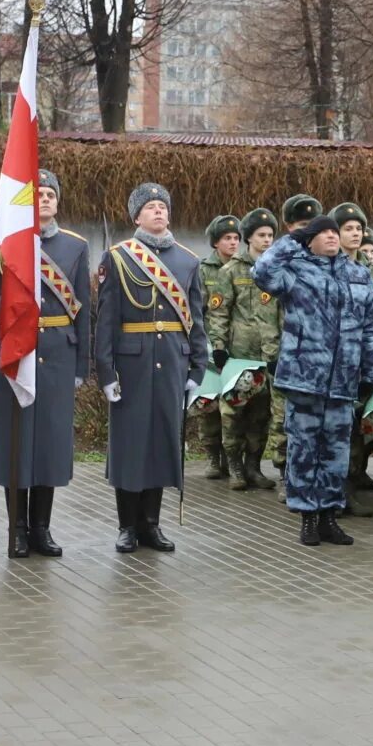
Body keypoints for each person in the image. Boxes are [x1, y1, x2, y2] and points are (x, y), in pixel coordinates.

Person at [94, 183, 210, 553]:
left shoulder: (189, 261)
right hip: (132, 363)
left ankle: (152, 525)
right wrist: (107, 372)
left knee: (162, 441)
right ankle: (127, 525)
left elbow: (196, 320)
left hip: (172, 363)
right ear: (136, 217)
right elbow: (106, 319)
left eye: (163, 206)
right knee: (130, 444)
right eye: (151, 207)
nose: (159, 211)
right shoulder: (118, 257)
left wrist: (196, 369)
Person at [0, 169, 90, 558]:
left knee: (49, 444)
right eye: (37, 194)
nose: (44, 199)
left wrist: (82, 365)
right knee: (17, 442)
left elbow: (84, 311)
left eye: (50, 194)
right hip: (16, 353)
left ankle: (42, 528)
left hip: (58, 354)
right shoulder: (3, 244)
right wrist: (15, 306)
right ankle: (18, 529)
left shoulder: (75, 248)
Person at [252, 216, 373, 546]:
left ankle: (329, 516)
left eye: (334, 232)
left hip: (343, 378)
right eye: (322, 232)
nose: (331, 237)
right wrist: (292, 240)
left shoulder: (358, 273)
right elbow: (262, 273)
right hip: (304, 377)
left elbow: (372, 326)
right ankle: (307, 517)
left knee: (336, 451)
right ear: (310, 239)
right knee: (304, 449)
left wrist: (371, 371)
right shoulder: (296, 270)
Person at [208, 207, 278, 491]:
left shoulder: (277, 270)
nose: (266, 240)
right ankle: (234, 466)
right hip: (239, 357)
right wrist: (219, 346)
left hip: (268, 355)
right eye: (261, 235)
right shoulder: (232, 271)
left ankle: (254, 466)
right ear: (249, 238)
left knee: (261, 416)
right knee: (233, 414)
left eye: (271, 235)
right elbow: (218, 312)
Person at [262, 194, 322, 486]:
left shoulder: (328, 260)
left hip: (323, 363)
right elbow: (269, 315)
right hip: (293, 359)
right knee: (287, 421)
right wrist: (273, 354)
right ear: (289, 227)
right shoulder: (285, 264)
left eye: (313, 224)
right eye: (302, 225)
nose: (308, 230)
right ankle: (287, 474)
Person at [329, 201, 373, 512]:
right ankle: (327, 496)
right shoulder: (321, 268)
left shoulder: (367, 273)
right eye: (347, 228)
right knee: (331, 434)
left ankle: (347, 490)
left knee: (354, 433)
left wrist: (372, 370)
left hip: (356, 365)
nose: (354, 233)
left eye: (358, 229)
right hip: (327, 366)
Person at [192, 215, 242, 481]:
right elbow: (198, 308)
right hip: (210, 346)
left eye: (236, 238)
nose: (233, 243)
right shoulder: (204, 269)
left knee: (234, 405)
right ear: (215, 242)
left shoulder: (243, 268)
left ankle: (236, 459)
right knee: (208, 403)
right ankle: (213, 457)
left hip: (236, 345)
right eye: (227, 238)